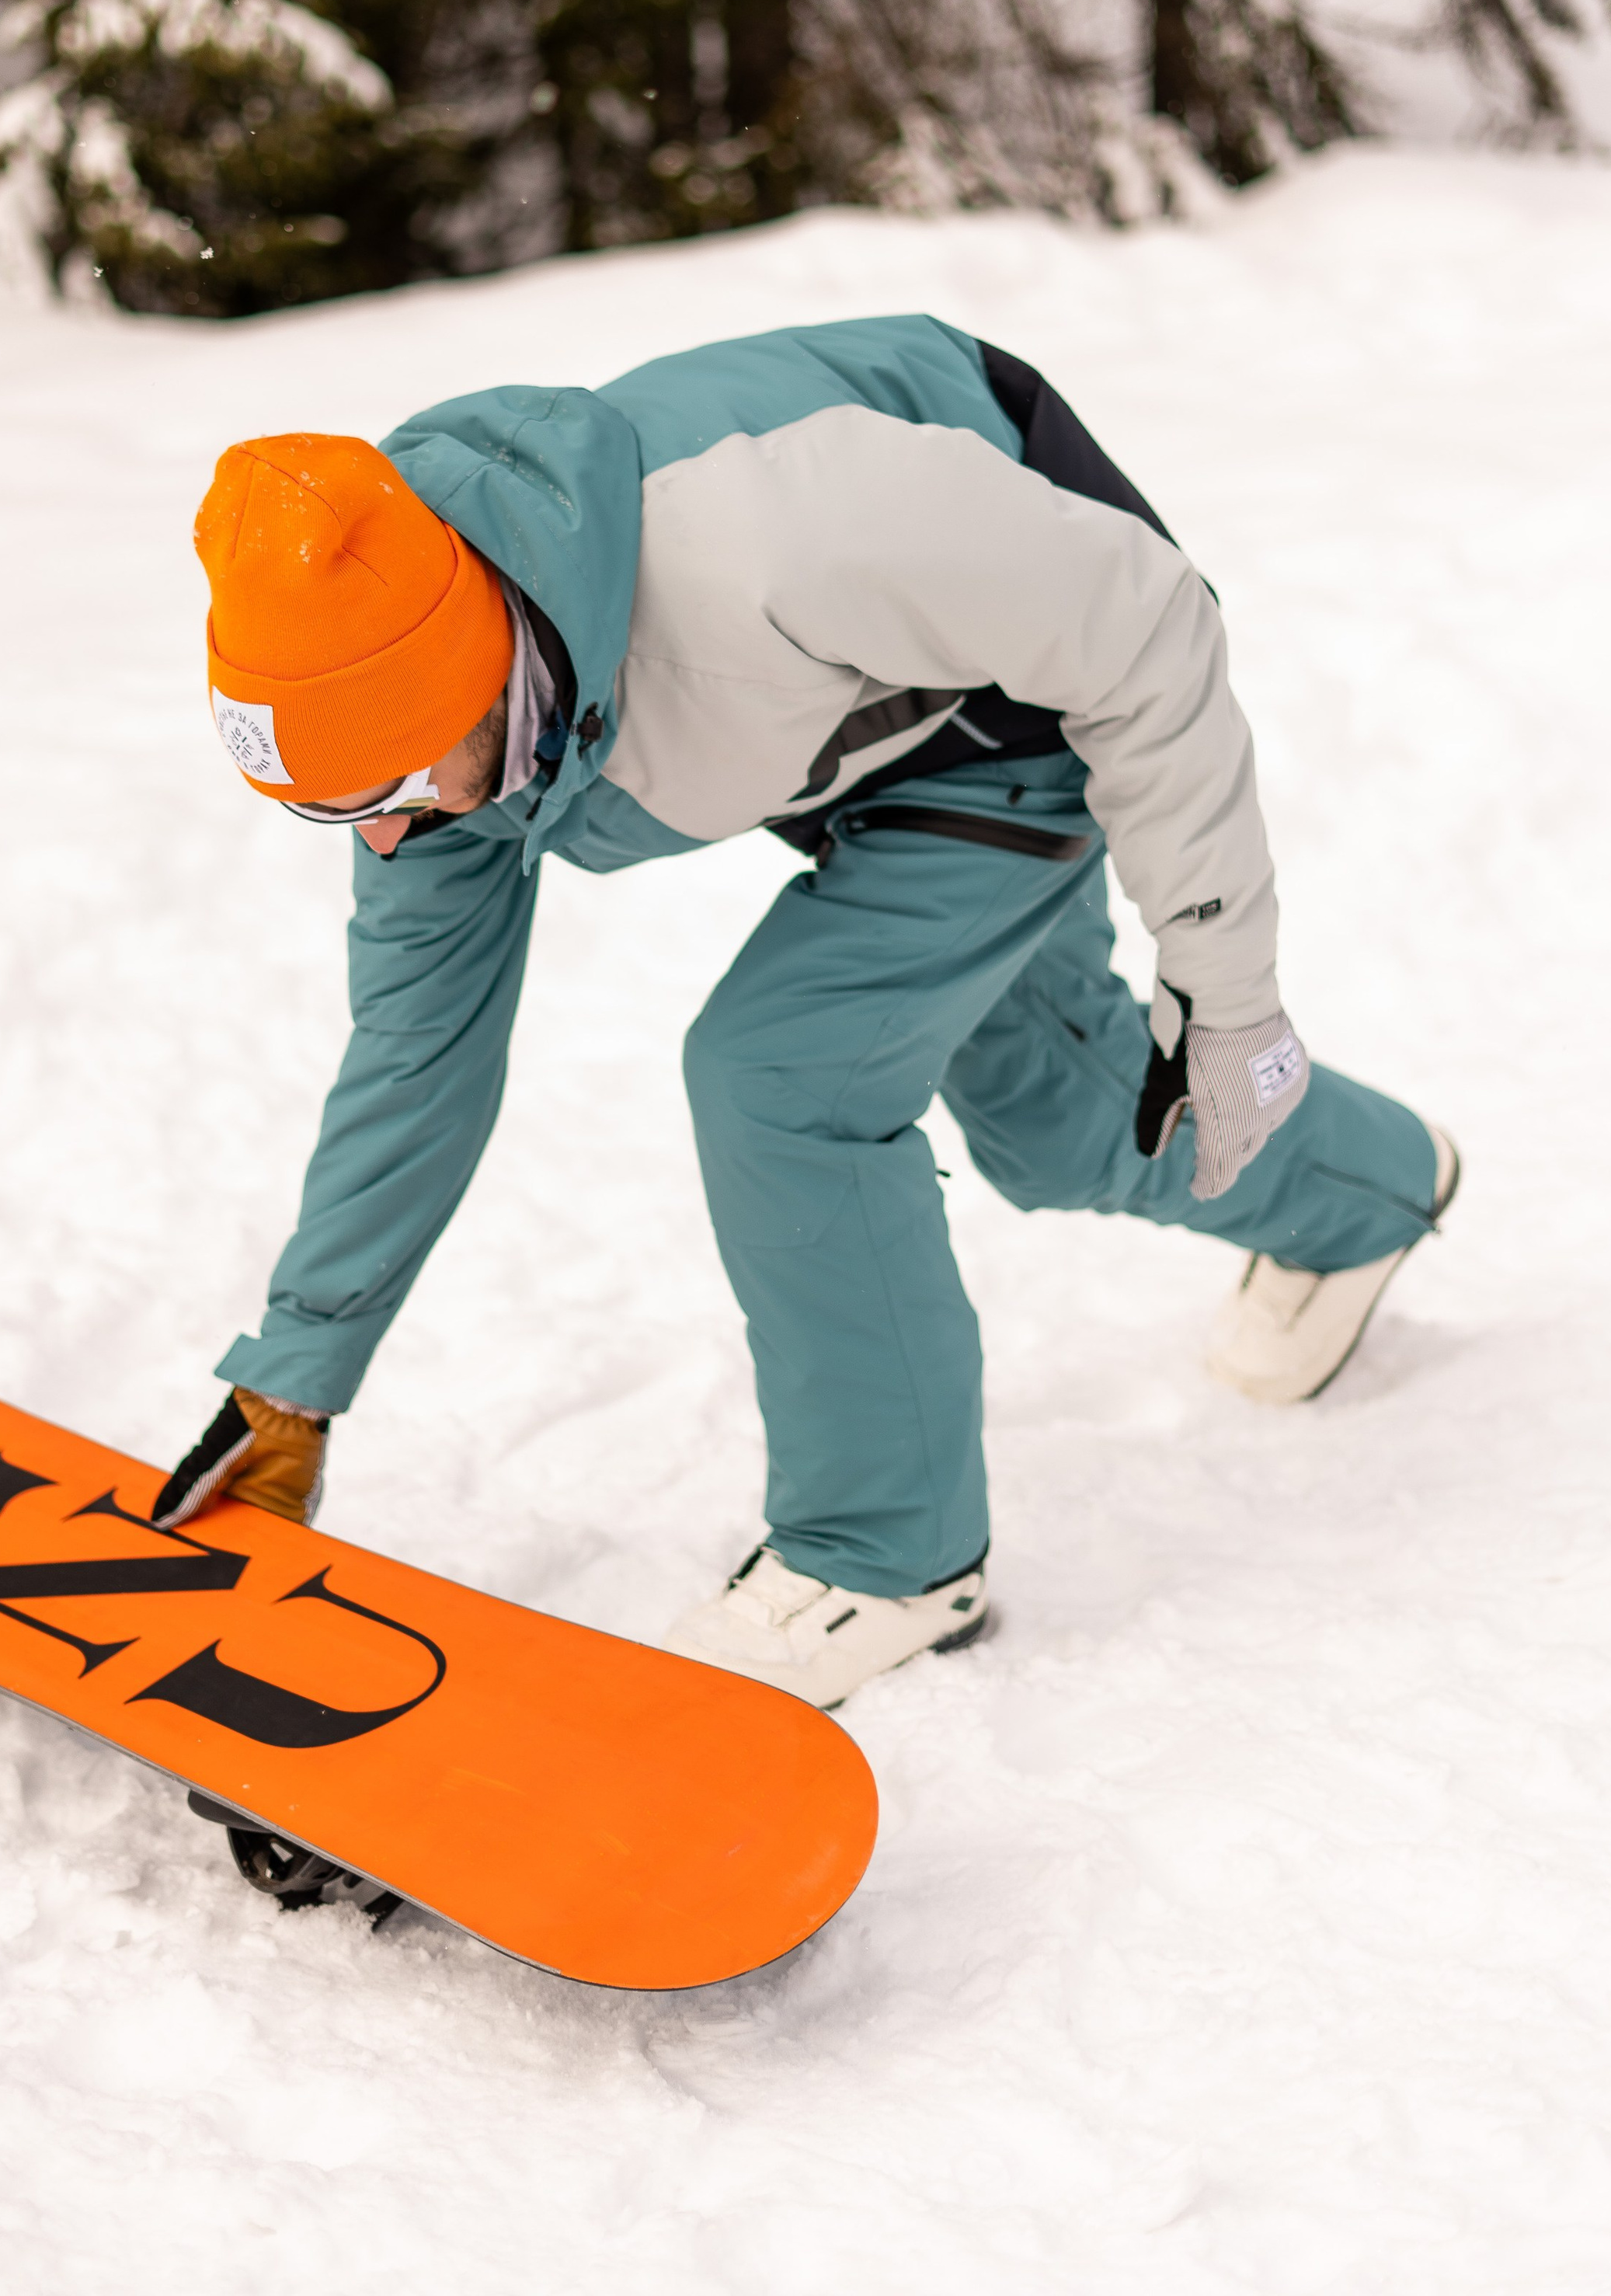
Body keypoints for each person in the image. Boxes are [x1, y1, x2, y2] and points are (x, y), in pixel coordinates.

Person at [152, 317, 1455, 1709]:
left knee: (781, 1075)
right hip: (861, 729)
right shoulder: (412, 742)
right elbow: (417, 1047)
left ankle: (885, 1558)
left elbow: (1145, 624)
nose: (384, 839)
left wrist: (1231, 1002)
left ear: (473, 677)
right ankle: (1368, 1193)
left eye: (379, 794)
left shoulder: (772, 537)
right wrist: (298, 1371)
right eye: (326, 810)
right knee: (1058, 1115)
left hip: (1023, 695)